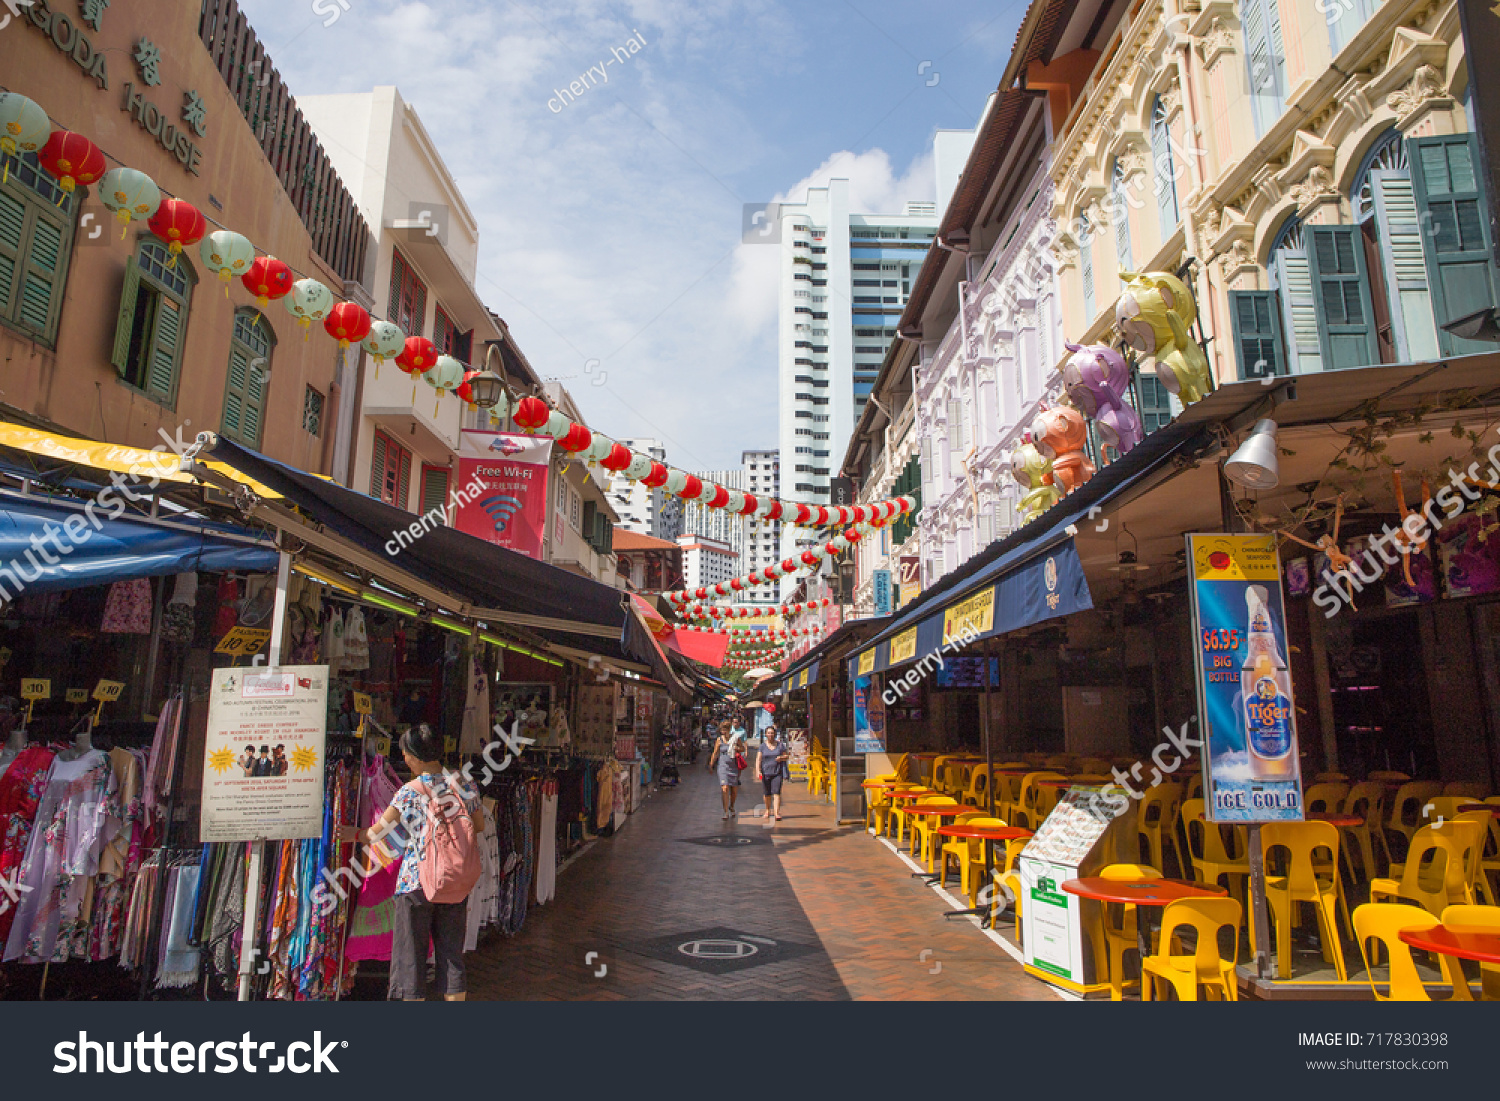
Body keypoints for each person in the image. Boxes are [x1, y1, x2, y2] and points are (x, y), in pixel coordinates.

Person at [346, 724, 484, 1001]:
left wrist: (352, 833)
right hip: (454, 881)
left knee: (411, 960)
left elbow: (376, 834)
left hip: (415, 882)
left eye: (405, 754)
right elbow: (478, 826)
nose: (404, 759)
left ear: (415, 756)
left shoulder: (410, 791)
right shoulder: (464, 784)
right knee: (451, 957)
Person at [710, 721, 746, 819]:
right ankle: (725, 811)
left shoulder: (735, 738)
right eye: (722, 730)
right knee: (724, 788)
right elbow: (715, 753)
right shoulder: (719, 740)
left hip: (733, 766)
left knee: (734, 790)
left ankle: (732, 806)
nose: (724, 732)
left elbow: (742, 748)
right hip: (723, 766)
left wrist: (737, 748)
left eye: (725, 730)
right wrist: (711, 764)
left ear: (729, 730)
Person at [755, 724, 790, 820]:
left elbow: (786, 756)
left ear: (775, 734)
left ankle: (776, 813)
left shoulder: (780, 745)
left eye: (772, 733)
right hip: (766, 773)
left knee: (777, 792)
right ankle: (767, 810)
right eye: (768, 733)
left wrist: (781, 758)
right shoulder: (762, 746)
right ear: (766, 734)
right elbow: (758, 759)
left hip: (777, 772)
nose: (770, 735)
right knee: (767, 793)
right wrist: (758, 771)